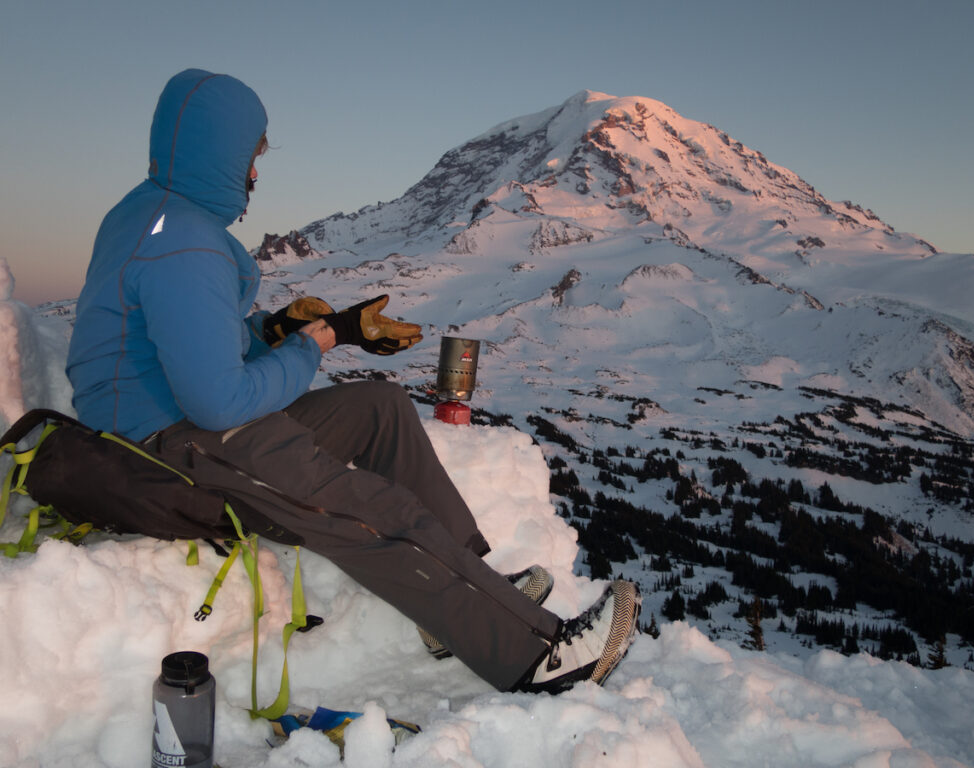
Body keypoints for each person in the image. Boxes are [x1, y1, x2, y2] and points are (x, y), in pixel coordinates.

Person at [65, 68, 640, 694]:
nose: (255, 175)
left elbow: (185, 339)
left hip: (169, 422)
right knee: (373, 509)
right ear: (222, 153)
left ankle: (471, 598)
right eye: (251, 158)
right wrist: (318, 343)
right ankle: (541, 656)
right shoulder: (185, 246)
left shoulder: (151, 216)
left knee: (380, 407)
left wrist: (282, 328)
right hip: (174, 445)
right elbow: (218, 399)